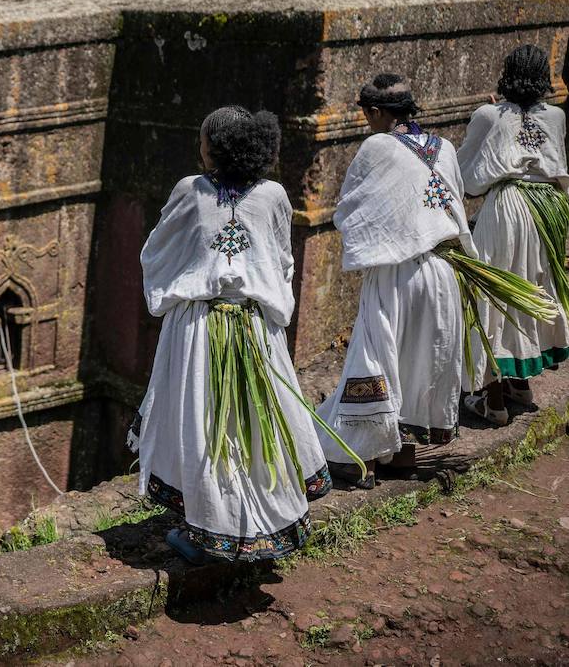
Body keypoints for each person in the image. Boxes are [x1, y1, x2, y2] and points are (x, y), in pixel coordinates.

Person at [131, 107, 334, 564]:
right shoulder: (275, 195)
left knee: (207, 428)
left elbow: (157, 253)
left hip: (200, 330)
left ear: (215, 148)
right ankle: (260, 525)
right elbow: (282, 261)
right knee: (255, 426)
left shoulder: (191, 190)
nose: (199, 148)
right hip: (255, 324)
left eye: (204, 140)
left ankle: (211, 533)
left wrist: (185, 284)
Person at [314, 75, 472, 488]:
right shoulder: (445, 148)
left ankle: (353, 455)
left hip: (397, 273)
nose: (367, 122)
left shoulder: (377, 147)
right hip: (442, 274)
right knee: (421, 360)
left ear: (378, 112)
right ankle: (402, 453)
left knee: (378, 358)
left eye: (368, 114)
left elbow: (352, 210)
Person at [458, 46, 569, 426]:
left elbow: (467, 179)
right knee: (532, 287)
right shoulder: (556, 116)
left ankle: (493, 402)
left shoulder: (489, 115)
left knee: (495, 291)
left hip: (509, 205)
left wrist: (490, 117)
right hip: (550, 208)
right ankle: (520, 384)